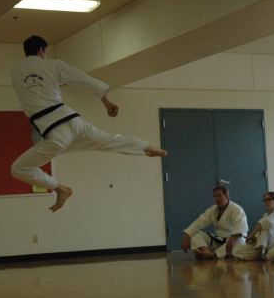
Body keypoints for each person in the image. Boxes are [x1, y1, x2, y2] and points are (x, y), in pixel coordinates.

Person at [10, 35, 167, 211]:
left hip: (55, 132)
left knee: (19, 169)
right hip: (74, 121)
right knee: (109, 140)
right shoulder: (53, 65)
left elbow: (33, 92)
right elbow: (84, 79)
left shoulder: (16, 72)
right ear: (41, 50)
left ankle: (60, 188)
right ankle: (147, 147)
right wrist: (106, 102)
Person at [181, 185, 248, 260]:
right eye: (214, 196)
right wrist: (187, 236)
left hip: (232, 242)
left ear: (227, 195)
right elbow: (199, 222)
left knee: (240, 240)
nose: (217, 199)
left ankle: (213, 255)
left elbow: (241, 229)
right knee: (195, 234)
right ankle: (205, 252)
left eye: (219, 195)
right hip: (219, 240)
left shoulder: (237, 209)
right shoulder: (213, 210)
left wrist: (232, 239)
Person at [233, 191, 274, 261]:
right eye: (264, 200)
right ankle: (260, 254)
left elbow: (263, 224)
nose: (265, 202)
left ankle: (259, 253)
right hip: (264, 243)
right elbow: (260, 231)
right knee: (236, 250)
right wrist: (254, 239)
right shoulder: (265, 215)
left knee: (267, 229)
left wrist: (251, 236)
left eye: (268, 199)